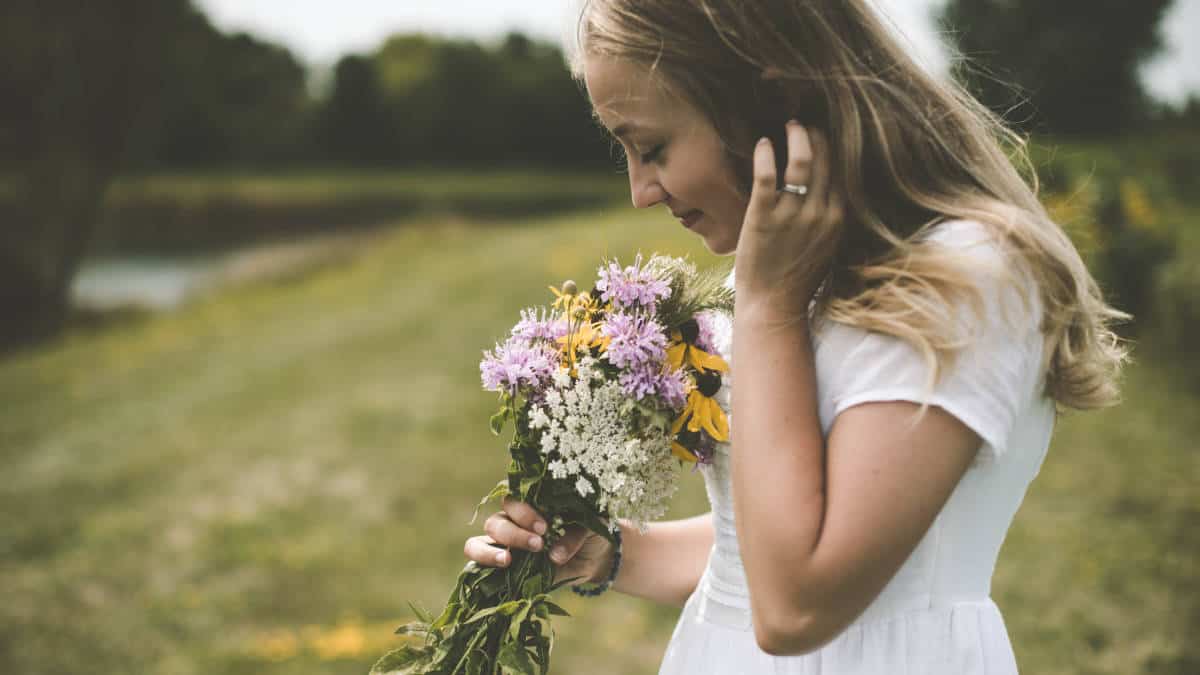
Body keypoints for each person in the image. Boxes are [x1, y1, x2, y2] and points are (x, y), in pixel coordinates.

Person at [462, 1, 1127, 672]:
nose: (639, 190)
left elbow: (795, 602)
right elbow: (749, 551)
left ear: (765, 99)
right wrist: (612, 553)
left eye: (653, 147)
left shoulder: (964, 279)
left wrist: (768, 307)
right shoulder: (797, 272)